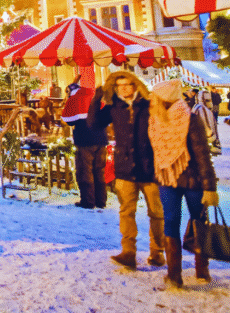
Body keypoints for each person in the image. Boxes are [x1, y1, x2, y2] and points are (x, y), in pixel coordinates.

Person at [88, 70, 165, 269]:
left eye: (127, 84)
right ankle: (128, 251)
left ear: (135, 85)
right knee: (126, 211)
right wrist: (96, 101)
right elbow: (94, 124)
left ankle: (157, 252)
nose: (124, 89)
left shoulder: (149, 104)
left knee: (156, 212)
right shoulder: (115, 107)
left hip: (150, 168)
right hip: (125, 168)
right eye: (119, 85)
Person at [148, 80, 219, 288]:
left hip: (193, 179)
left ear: (164, 98)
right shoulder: (155, 120)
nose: (153, 100)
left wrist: (209, 186)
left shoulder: (191, 119)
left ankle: (201, 266)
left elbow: (202, 155)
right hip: (166, 177)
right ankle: (174, 273)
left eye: (156, 96)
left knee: (198, 220)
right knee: (170, 220)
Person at [62, 81, 107, 209]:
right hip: (101, 139)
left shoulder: (74, 99)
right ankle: (101, 201)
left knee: (85, 171)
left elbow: (67, 120)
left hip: (85, 140)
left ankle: (88, 201)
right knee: (99, 170)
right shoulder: (94, 96)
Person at [192, 90, 221, 156]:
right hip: (205, 141)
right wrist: (212, 138)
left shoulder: (197, 107)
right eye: (208, 100)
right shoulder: (203, 109)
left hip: (199, 140)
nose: (210, 102)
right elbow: (206, 124)